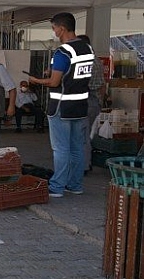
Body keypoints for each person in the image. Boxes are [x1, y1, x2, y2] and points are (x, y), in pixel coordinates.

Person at [29, 13, 93, 197]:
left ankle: (56, 187)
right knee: (76, 148)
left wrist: (37, 80)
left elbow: (54, 82)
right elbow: (73, 73)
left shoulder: (63, 51)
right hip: (80, 106)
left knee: (61, 149)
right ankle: (75, 185)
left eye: (54, 28)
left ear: (62, 28)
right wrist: (54, 71)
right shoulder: (86, 48)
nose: (54, 31)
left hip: (61, 107)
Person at [77, 34, 105, 174]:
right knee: (86, 134)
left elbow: (80, 84)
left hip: (86, 100)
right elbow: (102, 85)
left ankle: (84, 165)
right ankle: (86, 162)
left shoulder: (86, 61)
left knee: (82, 135)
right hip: (95, 101)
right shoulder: (98, 61)